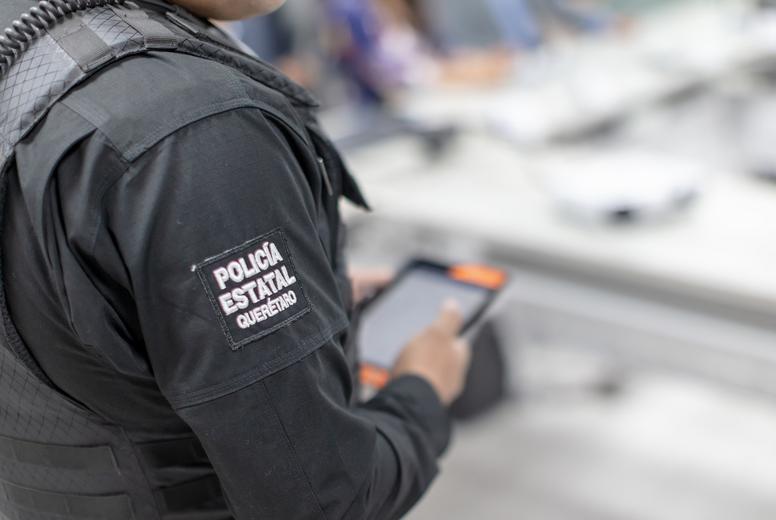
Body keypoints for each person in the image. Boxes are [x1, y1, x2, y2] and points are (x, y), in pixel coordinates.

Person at [0, 0, 471, 519]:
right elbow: (322, 500)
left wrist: (293, 303)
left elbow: (67, 305)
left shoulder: (41, 59)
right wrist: (421, 392)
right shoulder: (193, 126)